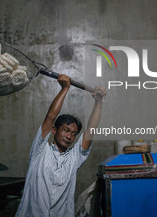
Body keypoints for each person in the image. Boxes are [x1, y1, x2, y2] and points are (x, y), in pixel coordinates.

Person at [15, 74, 106, 217]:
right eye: (66, 130)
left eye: (74, 133)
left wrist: (98, 102)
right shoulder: (40, 150)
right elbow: (51, 117)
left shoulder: (74, 158)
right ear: (54, 130)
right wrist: (65, 89)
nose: (69, 136)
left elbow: (91, 130)